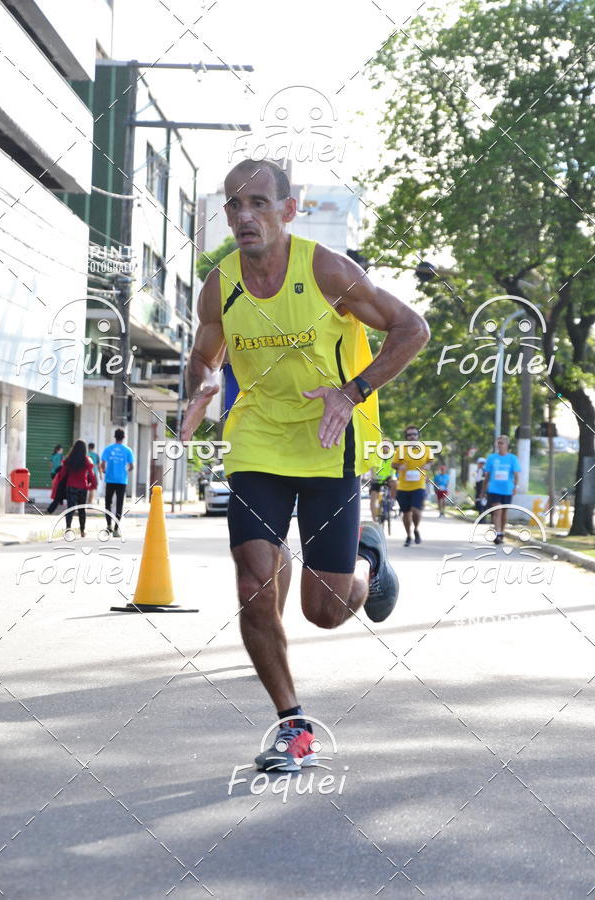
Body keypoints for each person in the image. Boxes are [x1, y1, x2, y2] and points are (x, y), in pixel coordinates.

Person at [180, 158, 429, 772]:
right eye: (233, 204)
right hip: (258, 442)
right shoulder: (221, 283)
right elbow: (203, 356)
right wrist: (204, 385)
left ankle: (369, 557)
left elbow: (411, 328)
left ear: (287, 211)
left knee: (325, 609)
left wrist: (352, 391)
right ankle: (293, 726)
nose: (243, 216)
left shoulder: (324, 270)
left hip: (327, 441)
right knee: (251, 584)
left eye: (258, 203)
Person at [393, 425, 433, 546]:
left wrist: (428, 466)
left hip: (419, 485)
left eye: (414, 434)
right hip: (403, 487)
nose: (412, 436)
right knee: (406, 513)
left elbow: (430, 461)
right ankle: (409, 536)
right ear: (406, 437)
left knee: (416, 510)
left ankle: (416, 529)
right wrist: (400, 467)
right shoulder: (401, 450)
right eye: (409, 435)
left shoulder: (426, 449)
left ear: (418, 436)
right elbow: (393, 464)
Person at [480, 435, 521, 543]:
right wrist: (483, 491)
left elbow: (516, 474)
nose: (499, 445)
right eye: (498, 443)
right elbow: (487, 476)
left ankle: (502, 532)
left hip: (507, 490)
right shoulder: (491, 458)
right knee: (497, 510)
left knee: (504, 513)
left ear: (507, 445)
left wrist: (516, 487)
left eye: (501, 443)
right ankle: (497, 534)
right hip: (494, 489)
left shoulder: (512, 458)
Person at [59, 440, 97, 537]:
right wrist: (93, 484)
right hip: (82, 488)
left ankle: (68, 530)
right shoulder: (86, 460)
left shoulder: (69, 459)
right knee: (81, 510)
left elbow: (62, 475)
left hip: (70, 486)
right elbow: (91, 474)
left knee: (70, 509)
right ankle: (82, 531)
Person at [101, 429, 134, 536]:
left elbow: (102, 464)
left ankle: (108, 524)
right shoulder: (128, 450)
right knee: (120, 504)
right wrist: (125, 471)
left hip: (110, 480)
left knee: (108, 503)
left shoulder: (108, 449)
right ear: (123, 437)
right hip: (122, 481)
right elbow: (131, 466)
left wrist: (105, 471)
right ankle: (116, 529)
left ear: (114, 437)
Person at [369, 455, 396, 523]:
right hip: (377, 479)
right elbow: (372, 467)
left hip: (388, 478)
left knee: (395, 484)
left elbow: (396, 466)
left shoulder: (393, 455)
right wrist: (373, 477)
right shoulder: (376, 454)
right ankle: (374, 520)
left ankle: (392, 502)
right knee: (373, 498)